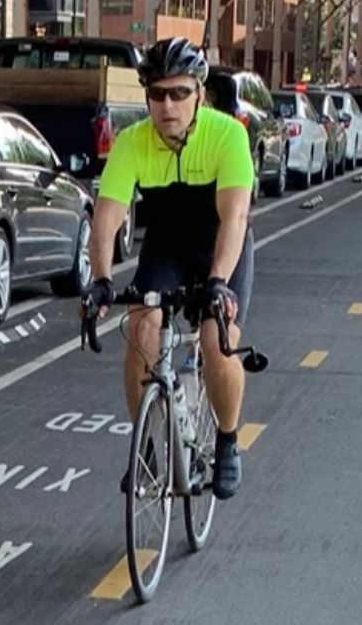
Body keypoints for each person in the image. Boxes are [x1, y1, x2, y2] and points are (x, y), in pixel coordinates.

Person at [81, 37, 255, 499]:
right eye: (157, 94)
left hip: (221, 245)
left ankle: (227, 440)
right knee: (140, 329)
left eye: (179, 92)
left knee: (219, 341)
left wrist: (219, 282)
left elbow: (235, 216)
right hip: (167, 249)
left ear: (199, 92)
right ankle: (146, 452)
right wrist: (100, 279)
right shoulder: (132, 143)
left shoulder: (228, 135)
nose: (168, 105)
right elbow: (107, 216)